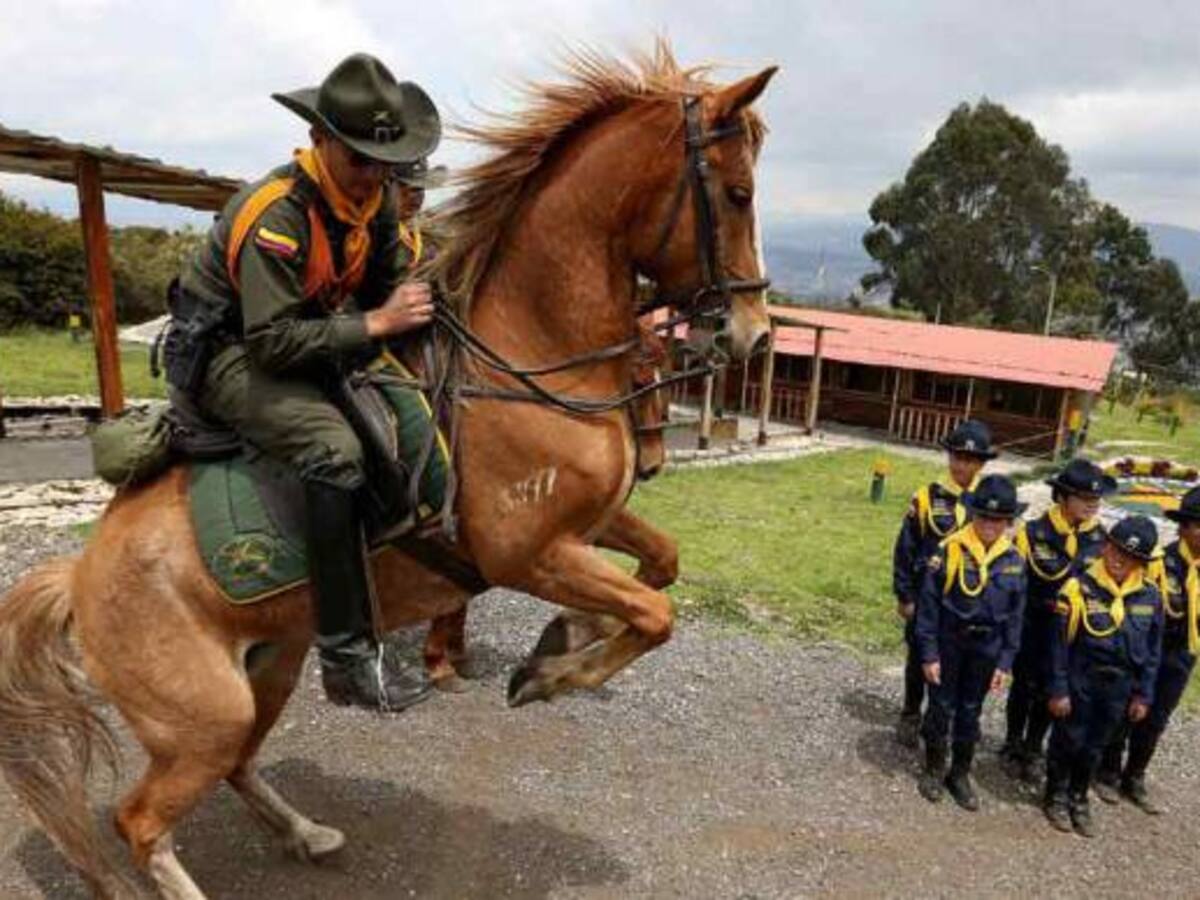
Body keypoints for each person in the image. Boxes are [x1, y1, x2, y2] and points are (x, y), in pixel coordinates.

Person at [164, 53, 443, 712]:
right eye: (360, 159)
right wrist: (376, 321)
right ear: (320, 140)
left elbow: (381, 284)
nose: (375, 174)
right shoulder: (277, 215)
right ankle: (346, 656)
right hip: (234, 353)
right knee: (334, 451)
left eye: (387, 162)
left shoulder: (370, 200)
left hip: (308, 333)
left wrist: (411, 304)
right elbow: (273, 341)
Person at [1044, 515, 1163, 837]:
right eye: (1116, 550)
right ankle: (1055, 794)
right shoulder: (1078, 588)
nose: (1121, 560)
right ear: (1106, 546)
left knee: (1096, 745)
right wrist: (1058, 689)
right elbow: (1058, 647)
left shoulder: (1150, 596)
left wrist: (1143, 695)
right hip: (1081, 679)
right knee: (1068, 739)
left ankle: (1079, 797)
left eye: (1132, 557)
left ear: (1142, 562)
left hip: (1119, 686)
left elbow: (1153, 653)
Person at [915, 474, 1026, 810]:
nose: (990, 524)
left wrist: (1006, 662)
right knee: (940, 708)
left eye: (999, 519)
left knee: (970, 712)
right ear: (973, 514)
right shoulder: (948, 551)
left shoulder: (1013, 561)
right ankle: (934, 767)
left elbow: (1015, 617)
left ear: (1009, 522)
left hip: (986, 651)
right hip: (950, 645)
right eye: (984, 516)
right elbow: (929, 609)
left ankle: (959, 773)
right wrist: (929, 654)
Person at [1005, 458, 1116, 779]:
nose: (1092, 505)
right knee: (1023, 686)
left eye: (1096, 500)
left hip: (1070, 635)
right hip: (1033, 624)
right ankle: (1012, 742)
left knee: (1051, 688)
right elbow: (1017, 582)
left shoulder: (1101, 541)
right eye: (1085, 498)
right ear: (1063, 497)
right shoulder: (1034, 533)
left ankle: (1033, 747)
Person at [1095, 487, 1200, 812]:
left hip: (1183, 653)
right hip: (1146, 650)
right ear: (1183, 527)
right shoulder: (1159, 563)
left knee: (1157, 718)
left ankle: (1135, 775)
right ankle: (1107, 772)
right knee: (1126, 709)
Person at [892, 419, 996, 747]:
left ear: (982, 463)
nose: (963, 465)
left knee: (956, 661)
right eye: (958, 457)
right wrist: (905, 595)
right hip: (926, 596)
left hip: (967, 602)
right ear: (949, 457)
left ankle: (946, 718)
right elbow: (906, 548)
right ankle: (911, 712)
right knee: (919, 656)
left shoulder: (989, 502)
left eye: (972, 459)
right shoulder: (927, 497)